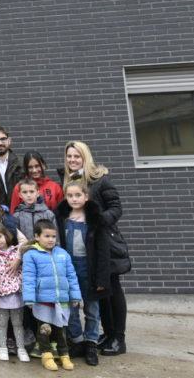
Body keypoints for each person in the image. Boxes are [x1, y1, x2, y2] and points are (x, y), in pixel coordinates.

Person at [63, 140, 127, 357]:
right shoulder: (69, 180)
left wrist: (96, 221)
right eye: (69, 156)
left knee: (112, 289)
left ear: (85, 157)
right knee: (101, 293)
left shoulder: (100, 180)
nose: (73, 160)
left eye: (77, 156)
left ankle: (118, 338)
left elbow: (116, 208)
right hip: (83, 247)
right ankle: (107, 334)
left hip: (104, 243)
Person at [55, 179, 112, 366]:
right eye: (70, 195)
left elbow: (103, 251)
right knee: (71, 308)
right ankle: (78, 341)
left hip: (90, 270)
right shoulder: (61, 217)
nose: (74, 199)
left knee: (92, 309)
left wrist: (102, 278)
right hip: (68, 270)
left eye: (78, 195)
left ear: (86, 196)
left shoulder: (95, 219)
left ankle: (91, 343)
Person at [22, 219, 82, 371]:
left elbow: (71, 276)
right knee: (44, 329)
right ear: (37, 236)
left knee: (61, 330)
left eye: (53, 236)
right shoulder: (31, 255)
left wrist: (75, 295)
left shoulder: (63, 253)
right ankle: (46, 356)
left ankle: (64, 355)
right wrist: (29, 299)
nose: (51, 240)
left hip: (61, 300)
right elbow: (28, 278)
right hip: (43, 300)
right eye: (47, 236)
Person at [0, 222, 29, 362]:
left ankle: (21, 348)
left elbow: (26, 243)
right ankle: (3, 348)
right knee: (1, 323)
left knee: (17, 322)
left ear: (6, 235)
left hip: (17, 294)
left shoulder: (17, 251)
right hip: (1, 295)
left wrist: (18, 257)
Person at [14, 178, 56, 245]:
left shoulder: (48, 214)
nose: (28, 195)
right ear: (20, 195)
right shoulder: (17, 216)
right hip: (26, 249)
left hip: (45, 249)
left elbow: (55, 236)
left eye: (32, 191)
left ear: (38, 193)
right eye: (24, 192)